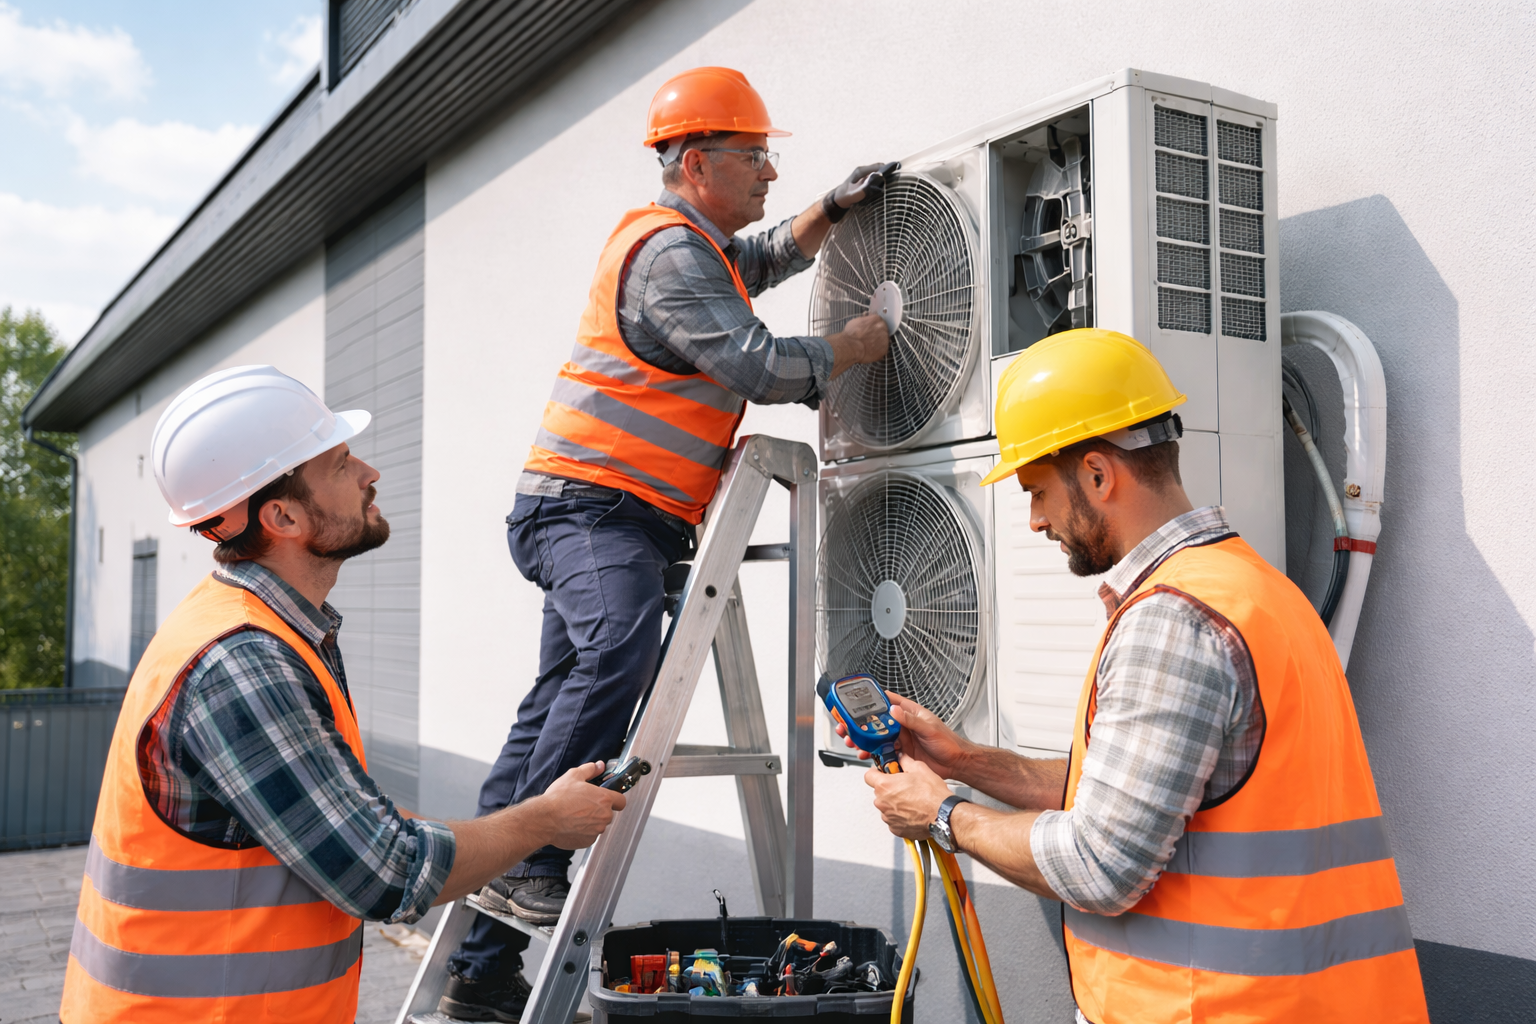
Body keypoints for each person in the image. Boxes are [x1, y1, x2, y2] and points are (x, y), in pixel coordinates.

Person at [442, 65, 894, 1020]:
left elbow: (762, 259)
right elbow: (757, 365)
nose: (769, 172)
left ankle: (482, 968)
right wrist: (850, 349)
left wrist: (830, 210)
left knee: (547, 719)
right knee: (617, 650)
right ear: (696, 163)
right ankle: (535, 860)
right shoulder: (671, 254)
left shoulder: (704, 249)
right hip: (591, 510)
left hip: (608, 514)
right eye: (754, 155)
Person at [850, 330, 1430, 1023]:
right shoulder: (1255, 590)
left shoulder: (1174, 620)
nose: (1035, 520)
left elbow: (1100, 863)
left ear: (1098, 474)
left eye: (1037, 491)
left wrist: (941, 814)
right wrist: (964, 760)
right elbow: (1138, 795)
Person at [60, 366, 626, 1024]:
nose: (369, 472)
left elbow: (348, 826)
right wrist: (545, 822)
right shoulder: (244, 663)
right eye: (339, 463)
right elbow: (385, 874)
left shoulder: (262, 629)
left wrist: (487, 835)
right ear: (283, 516)